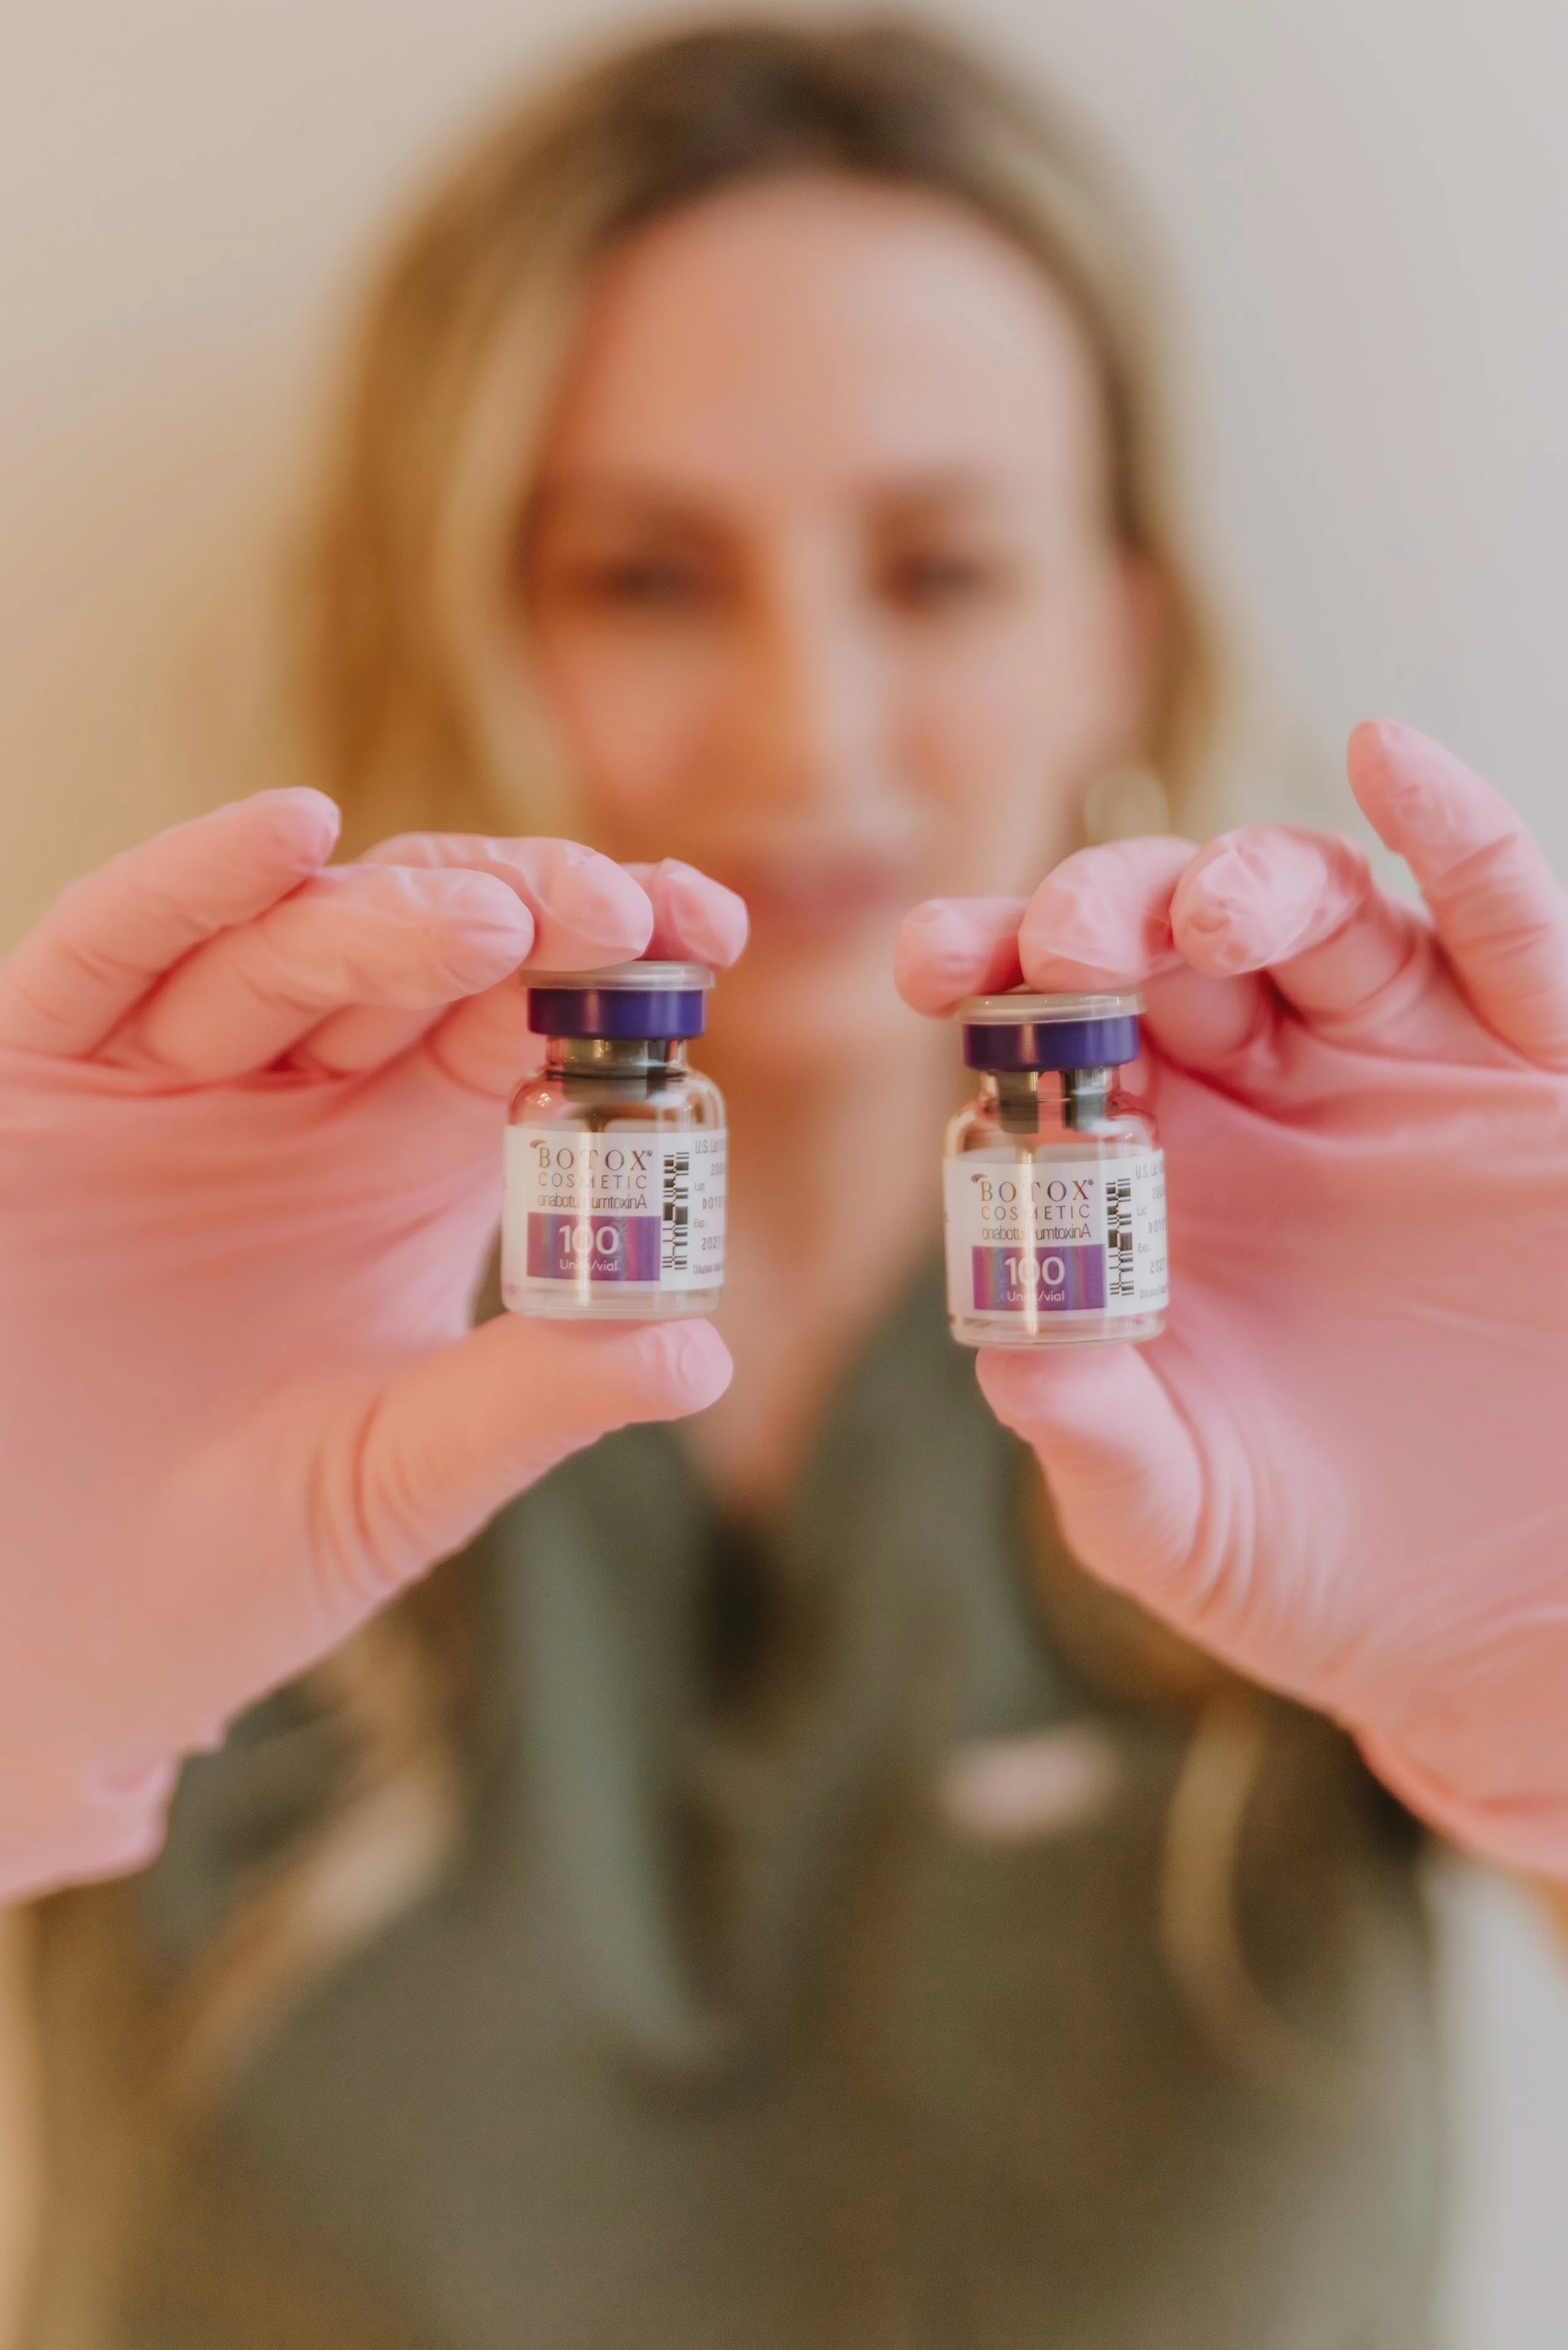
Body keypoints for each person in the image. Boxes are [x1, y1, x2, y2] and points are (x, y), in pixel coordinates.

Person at [1, 19, 1565, 2347]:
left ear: (1109, 627)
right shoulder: (177, 1326)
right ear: (445, 603)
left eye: (937, 570)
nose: (802, 733)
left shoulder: (1319, 1345)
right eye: (644, 578)